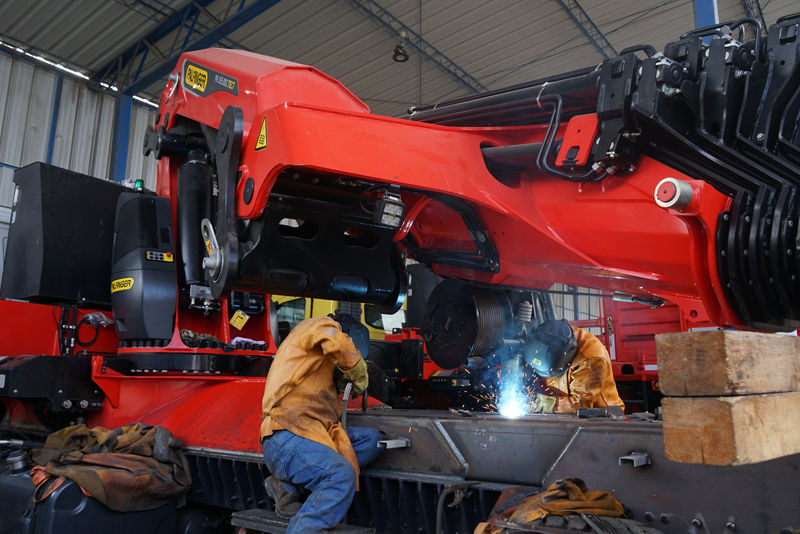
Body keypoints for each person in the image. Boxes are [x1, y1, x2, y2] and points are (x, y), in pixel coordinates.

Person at [259, 314, 381, 532]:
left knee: (371, 441)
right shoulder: (318, 325)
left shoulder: (316, 360)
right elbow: (339, 343)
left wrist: (342, 381)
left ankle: (288, 487)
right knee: (340, 475)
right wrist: (357, 370)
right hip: (286, 433)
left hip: (313, 430)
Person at [523, 319, 624, 414]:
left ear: (565, 358)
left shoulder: (590, 358)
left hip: (603, 417)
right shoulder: (542, 339)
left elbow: (581, 405)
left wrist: (543, 403)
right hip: (561, 414)